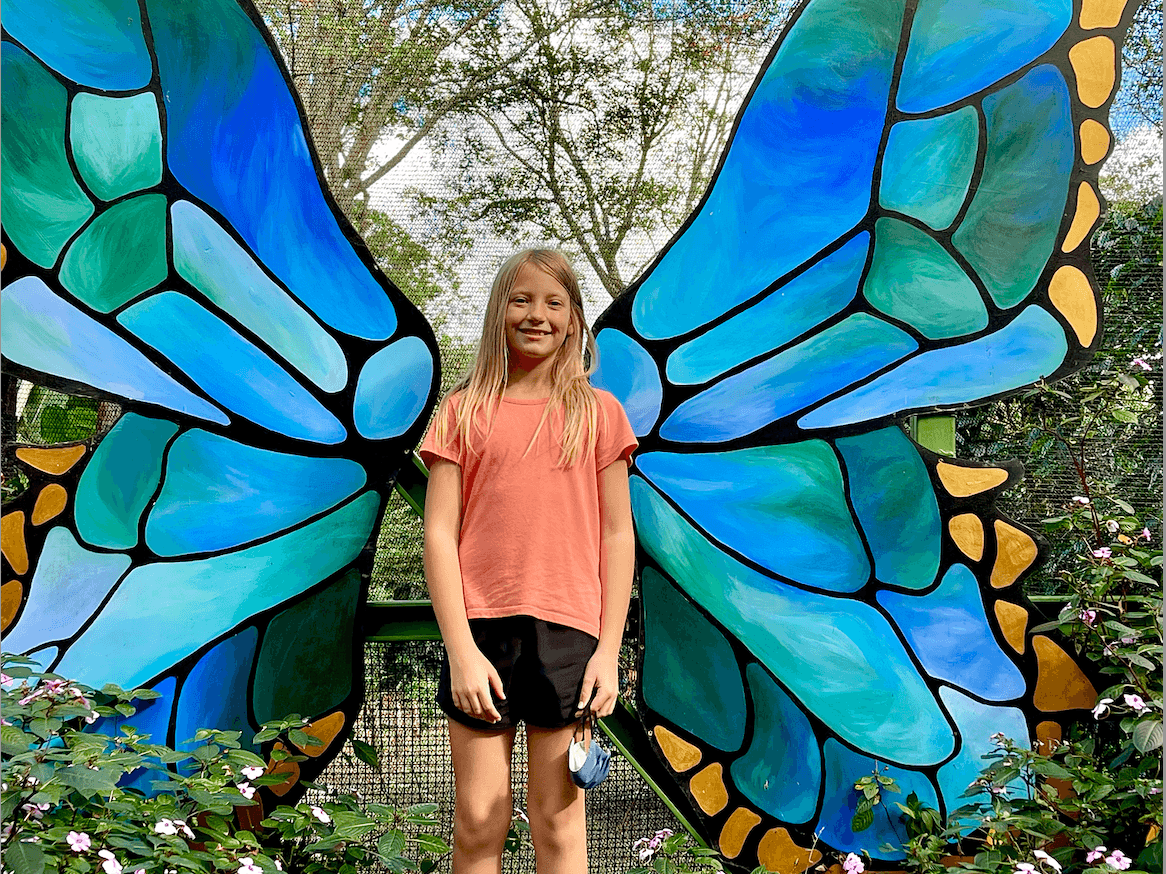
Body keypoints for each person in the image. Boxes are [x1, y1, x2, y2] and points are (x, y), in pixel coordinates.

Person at [419, 248, 637, 874]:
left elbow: (617, 536)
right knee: (478, 821)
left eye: (553, 302)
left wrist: (606, 652)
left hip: (570, 636)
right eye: (521, 299)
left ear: (573, 319)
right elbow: (438, 535)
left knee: (559, 824)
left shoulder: (599, 414)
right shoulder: (461, 412)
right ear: (498, 311)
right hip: (480, 635)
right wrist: (461, 651)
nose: (536, 315)